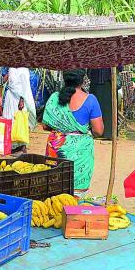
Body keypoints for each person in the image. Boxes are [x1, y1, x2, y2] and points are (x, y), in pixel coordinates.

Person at [43, 69, 104, 198]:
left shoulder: (54, 97)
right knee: (74, 197)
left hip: (55, 150)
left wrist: (62, 130)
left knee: (54, 194)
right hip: (80, 154)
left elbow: (45, 125)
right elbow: (99, 130)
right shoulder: (90, 100)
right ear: (82, 80)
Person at [0, 67, 36, 153]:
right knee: (9, 120)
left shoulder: (24, 69)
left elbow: (25, 86)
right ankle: (11, 145)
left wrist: (22, 99)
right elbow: (3, 81)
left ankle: (22, 145)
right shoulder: (11, 68)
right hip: (10, 97)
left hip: (20, 99)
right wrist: (0, 95)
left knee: (20, 121)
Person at [87, 68, 114, 140]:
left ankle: (109, 133)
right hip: (96, 80)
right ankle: (95, 131)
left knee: (108, 109)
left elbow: (119, 66)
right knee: (94, 107)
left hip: (108, 82)